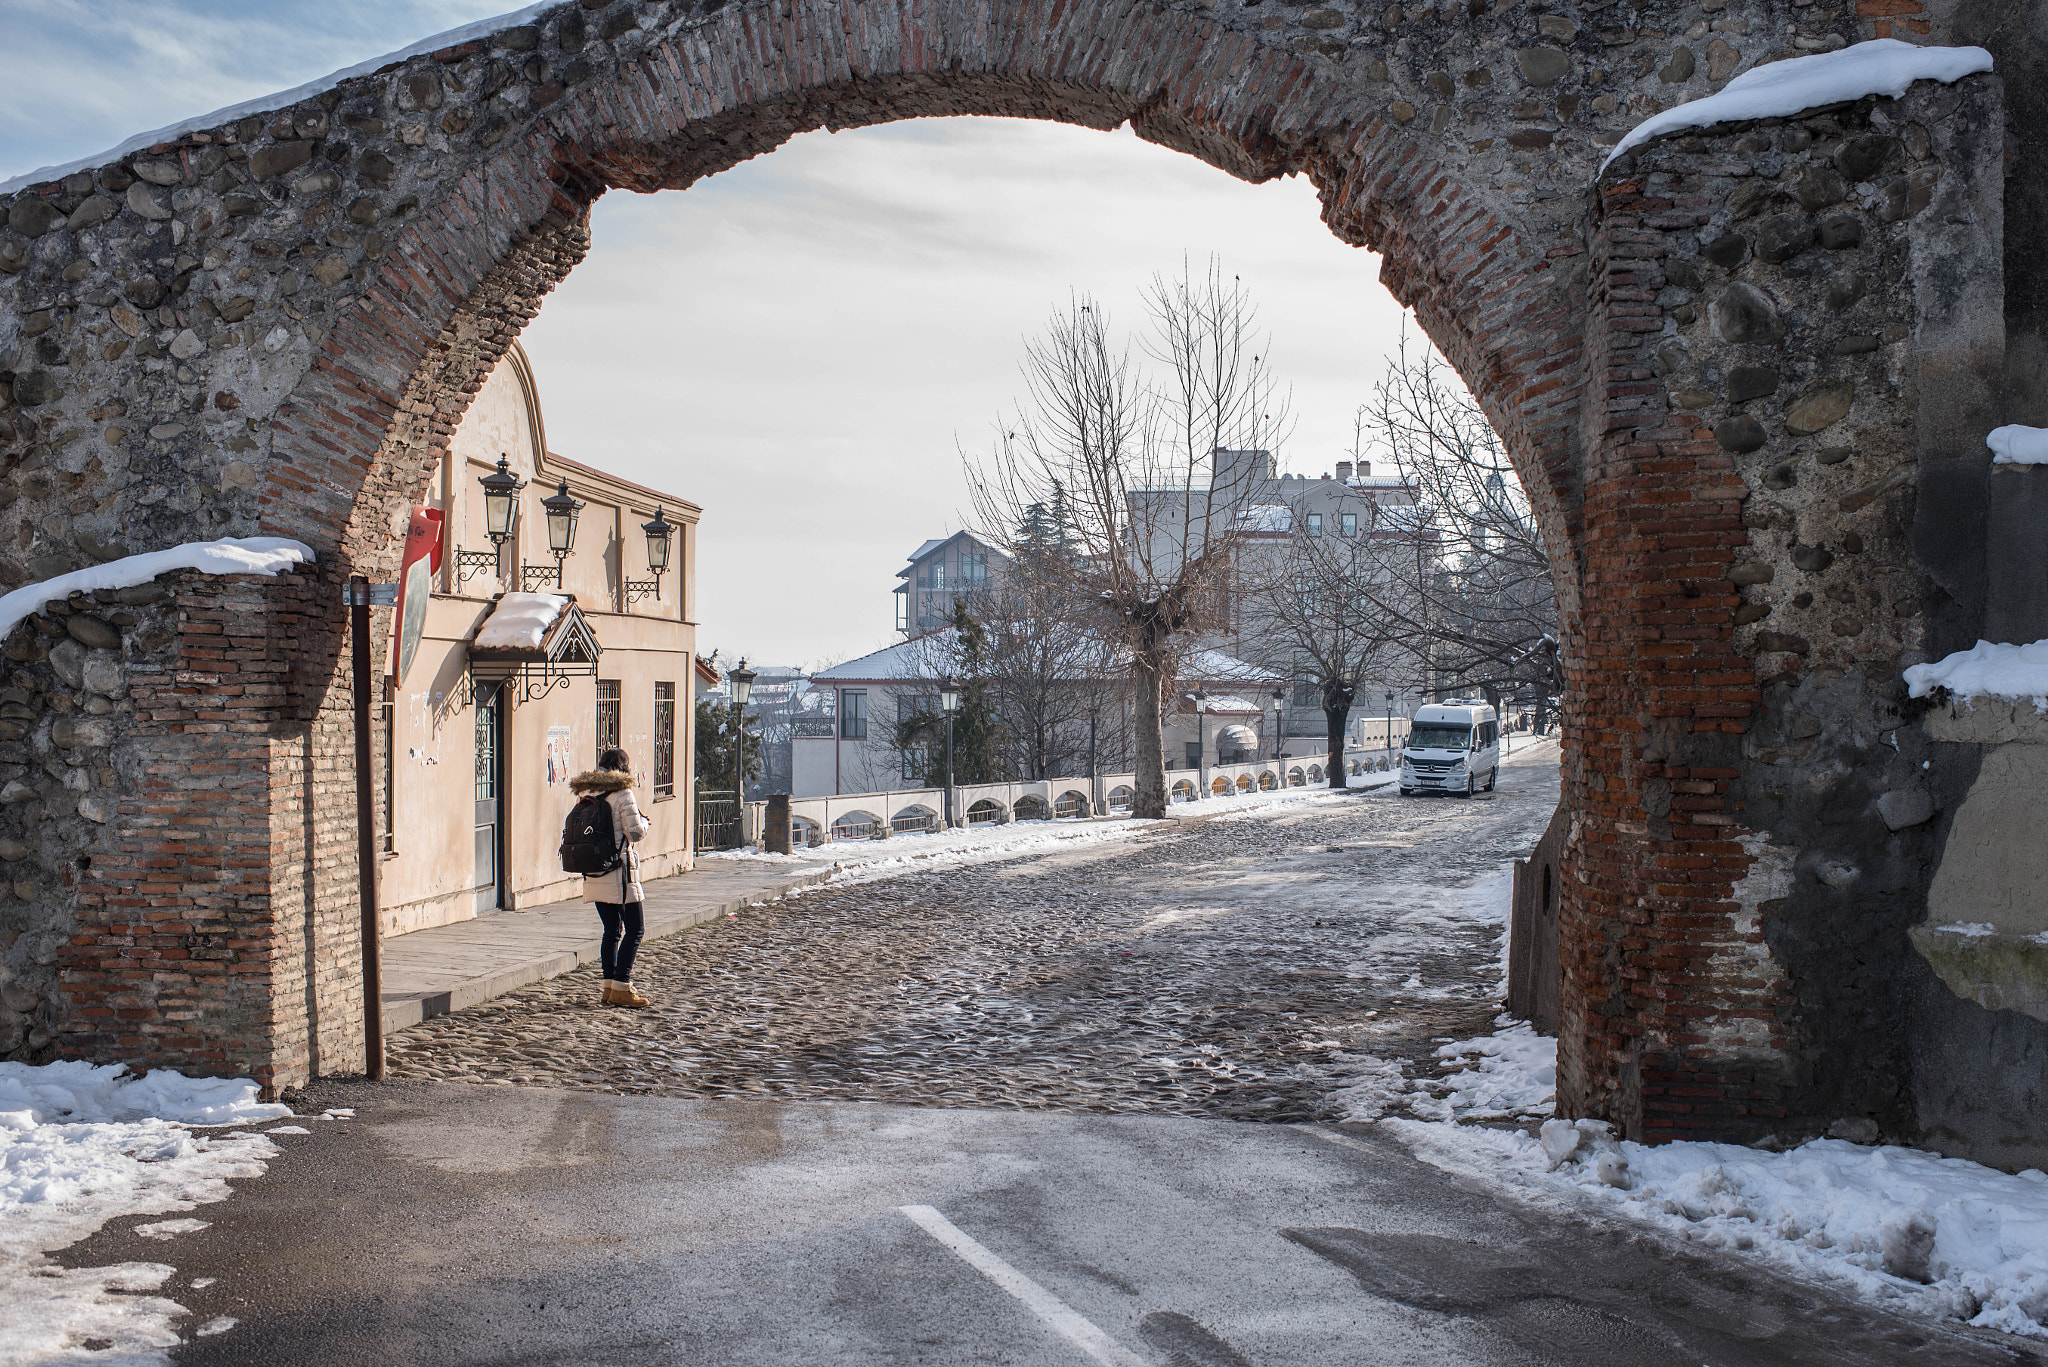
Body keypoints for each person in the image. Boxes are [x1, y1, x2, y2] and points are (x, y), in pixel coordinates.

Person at [570, 748, 653, 1007]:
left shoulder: (587, 792)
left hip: (595, 871)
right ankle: (622, 985)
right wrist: (645, 821)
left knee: (611, 930)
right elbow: (635, 833)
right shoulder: (623, 793)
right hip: (620, 873)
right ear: (623, 768)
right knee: (636, 929)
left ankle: (608, 988)